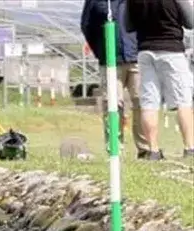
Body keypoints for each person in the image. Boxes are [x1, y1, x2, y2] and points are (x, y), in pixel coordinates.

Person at [80, 0, 153, 156]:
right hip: (110, 60)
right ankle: (115, 147)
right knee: (113, 103)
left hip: (136, 57)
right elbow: (87, 26)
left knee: (142, 101)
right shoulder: (95, 2)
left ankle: (145, 148)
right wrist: (101, 50)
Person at [124, 0, 194, 159]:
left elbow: (129, 26)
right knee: (183, 100)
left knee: (149, 102)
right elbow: (190, 22)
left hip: (145, 51)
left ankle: (153, 150)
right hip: (171, 50)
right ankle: (190, 148)